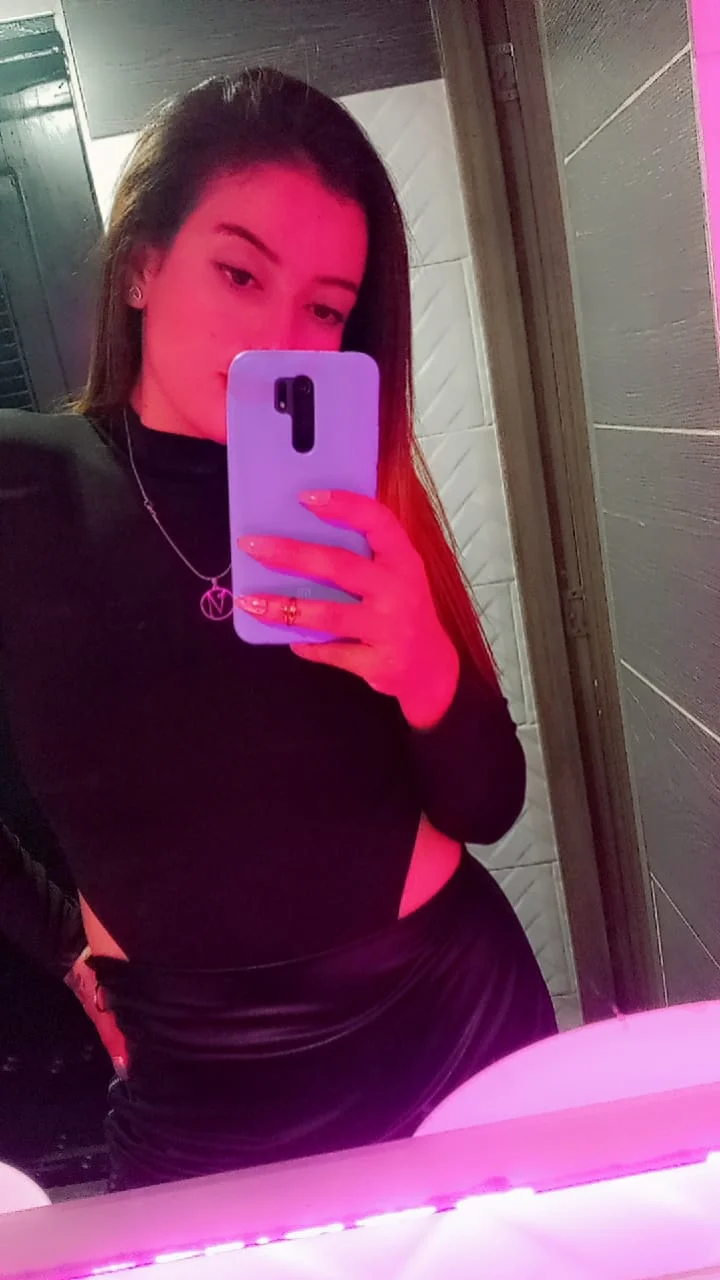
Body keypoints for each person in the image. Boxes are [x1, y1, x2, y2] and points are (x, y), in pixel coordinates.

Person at [0, 67, 556, 1192]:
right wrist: (58, 937)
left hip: (448, 1020)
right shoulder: (22, 487)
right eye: (240, 272)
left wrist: (425, 663)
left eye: (326, 307)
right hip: (193, 1079)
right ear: (141, 265)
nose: (281, 336)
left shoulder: (352, 498)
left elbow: (489, 806)